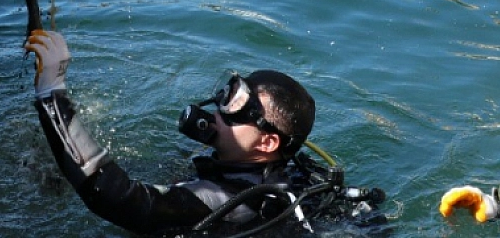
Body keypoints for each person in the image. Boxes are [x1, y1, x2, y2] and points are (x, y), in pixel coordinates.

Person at [25, 29, 381, 235]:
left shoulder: (231, 202)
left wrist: (51, 93)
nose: (220, 108)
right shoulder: (280, 169)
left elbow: (119, 199)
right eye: (229, 93)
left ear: (267, 142)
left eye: (238, 108)